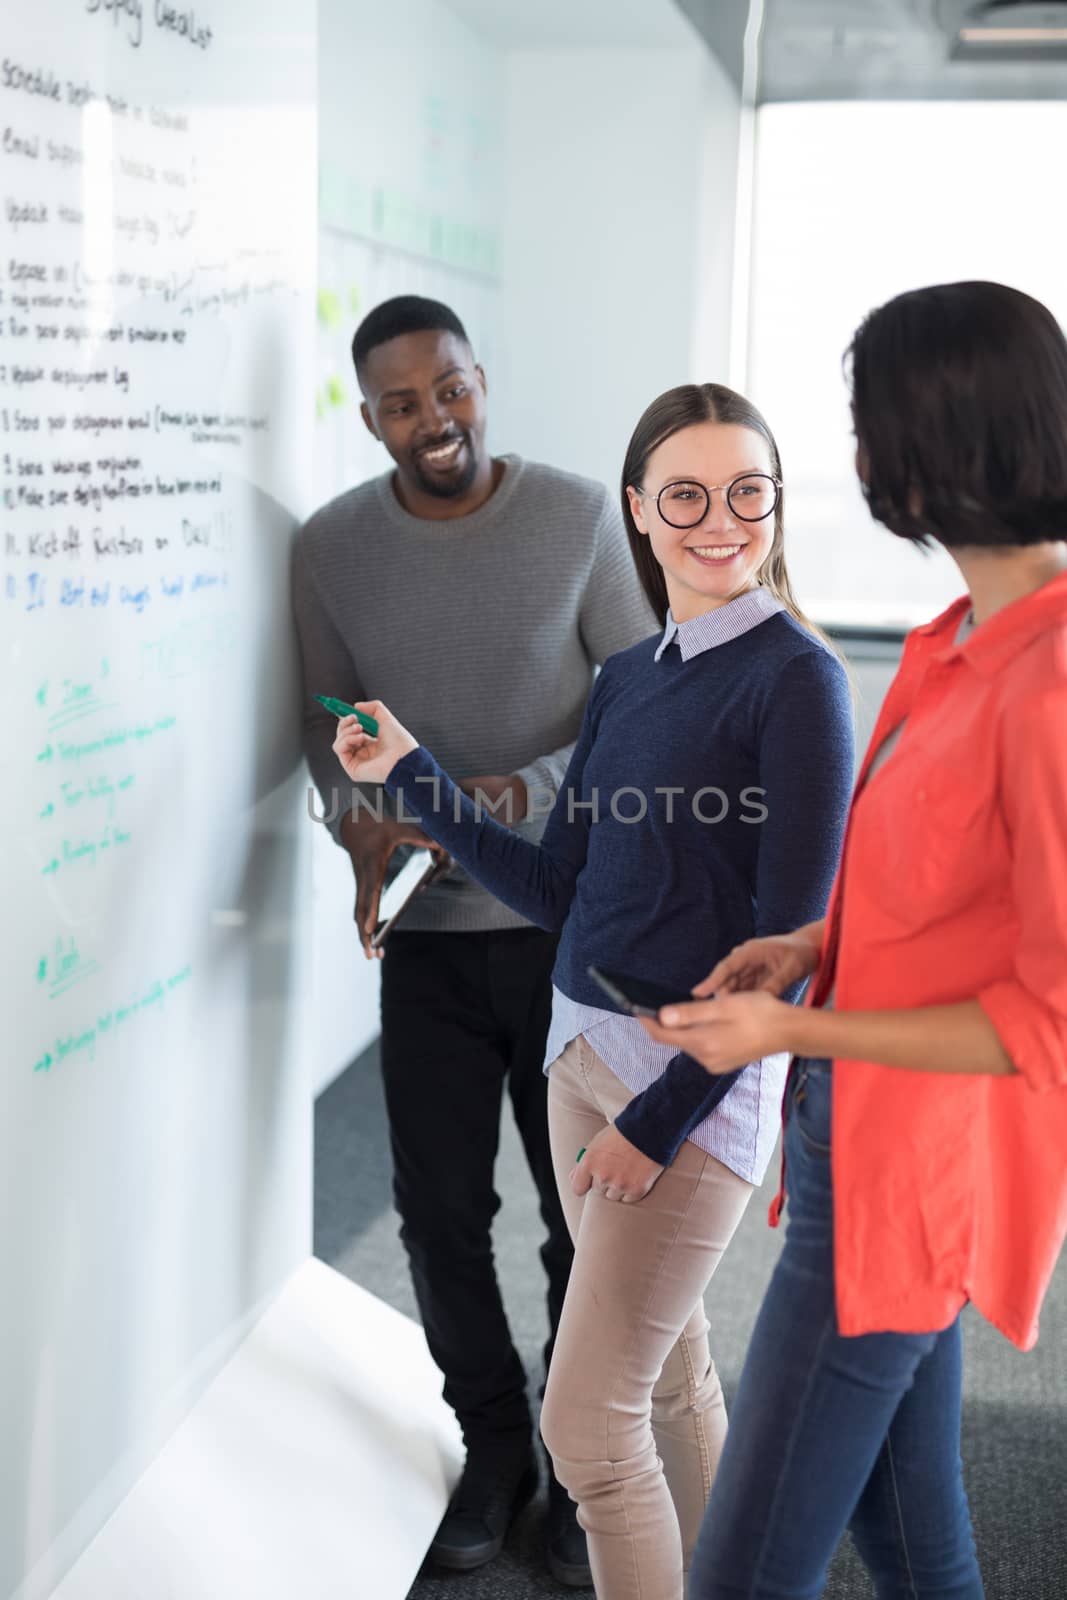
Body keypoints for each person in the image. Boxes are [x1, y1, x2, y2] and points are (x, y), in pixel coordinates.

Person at [326, 382, 855, 1600]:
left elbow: (789, 954)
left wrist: (655, 1118)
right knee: (669, 1377)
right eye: (684, 494)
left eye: (746, 493)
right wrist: (409, 774)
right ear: (637, 509)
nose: (717, 521)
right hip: (579, 1052)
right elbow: (560, 886)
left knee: (589, 1435)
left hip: (681, 1093)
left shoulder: (794, 682)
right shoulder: (627, 677)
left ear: (776, 506)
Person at [640, 282, 1067, 1600]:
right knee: (905, 1527)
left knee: (743, 1571)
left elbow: (1042, 1014)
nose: (856, 457)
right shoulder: (956, 641)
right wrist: (810, 946)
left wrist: (787, 1029)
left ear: (939, 441)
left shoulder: (1047, 685)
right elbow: (948, 899)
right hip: (848, 1143)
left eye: (864, 425)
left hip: (908, 1184)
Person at [292, 295, 656, 1584]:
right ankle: (492, 1447)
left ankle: (572, 1460)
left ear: (477, 381)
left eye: (446, 389)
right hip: (433, 941)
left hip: (569, 934)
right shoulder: (333, 547)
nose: (431, 419)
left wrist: (488, 800)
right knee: (438, 1214)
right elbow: (331, 730)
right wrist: (359, 826)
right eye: (400, 402)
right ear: (370, 414)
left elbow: (641, 710)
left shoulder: (568, 517)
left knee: (581, 1221)